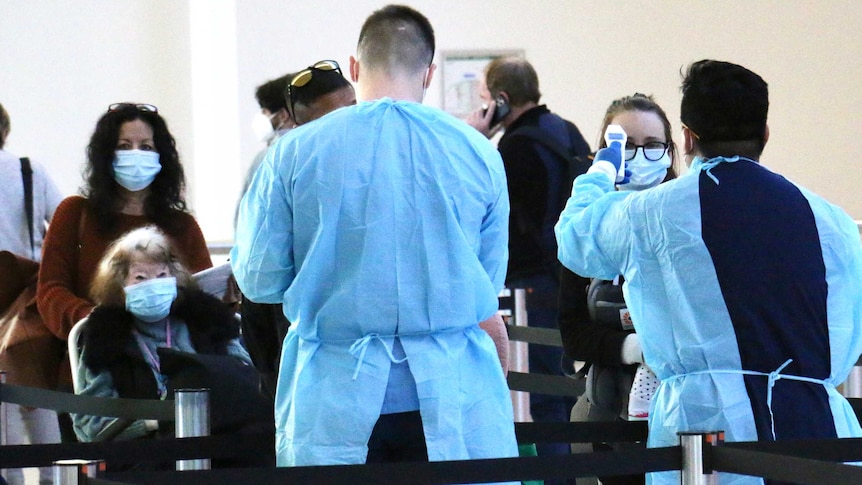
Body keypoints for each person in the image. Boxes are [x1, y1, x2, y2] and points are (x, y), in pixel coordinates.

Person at [232, 4, 518, 468]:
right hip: (448, 393)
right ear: (429, 73)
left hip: (336, 392)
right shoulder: (477, 152)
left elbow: (260, 278)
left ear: (354, 67)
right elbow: (486, 280)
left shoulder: (294, 154)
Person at [555, 59, 862, 485]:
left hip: (705, 431)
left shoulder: (651, 215)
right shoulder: (834, 223)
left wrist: (602, 170)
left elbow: (574, 241)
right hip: (817, 432)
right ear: (766, 134)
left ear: (687, 137)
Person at [37, 102, 213, 441]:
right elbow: (51, 291)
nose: (137, 155)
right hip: (92, 372)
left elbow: (201, 295)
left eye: (146, 147)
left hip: (173, 374)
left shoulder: (182, 226)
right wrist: (98, 323)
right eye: (124, 146)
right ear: (106, 155)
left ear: (162, 157)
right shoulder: (75, 214)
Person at [467, 56, 591, 470]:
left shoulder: (515, 147)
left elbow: (481, 207)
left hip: (532, 286)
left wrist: (476, 142)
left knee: (542, 398)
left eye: (484, 98)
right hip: (571, 280)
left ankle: (556, 478)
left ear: (501, 101)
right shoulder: (566, 132)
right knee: (566, 389)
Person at [559, 93, 677, 485]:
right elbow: (573, 331)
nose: (640, 156)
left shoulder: (686, 220)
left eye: (652, 146)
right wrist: (632, 349)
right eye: (626, 146)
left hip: (679, 414)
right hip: (609, 411)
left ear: (671, 151)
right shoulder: (586, 231)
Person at [72, 225, 252, 442]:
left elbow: (247, 383)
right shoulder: (106, 337)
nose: (154, 284)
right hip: (146, 456)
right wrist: (153, 421)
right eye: (140, 277)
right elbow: (91, 426)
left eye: (161, 275)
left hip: (219, 443)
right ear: (118, 285)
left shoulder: (206, 320)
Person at [241, 61, 356, 399]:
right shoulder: (279, 167)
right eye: (329, 122)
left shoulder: (380, 157)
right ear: (300, 124)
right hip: (299, 333)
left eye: (351, 111)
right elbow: (260, 276)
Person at [0, 102, 63, 485]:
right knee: (40, 402)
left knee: (4, 413)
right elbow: (63, 223)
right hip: (25, 299)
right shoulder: (28, 171)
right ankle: (54, 479)